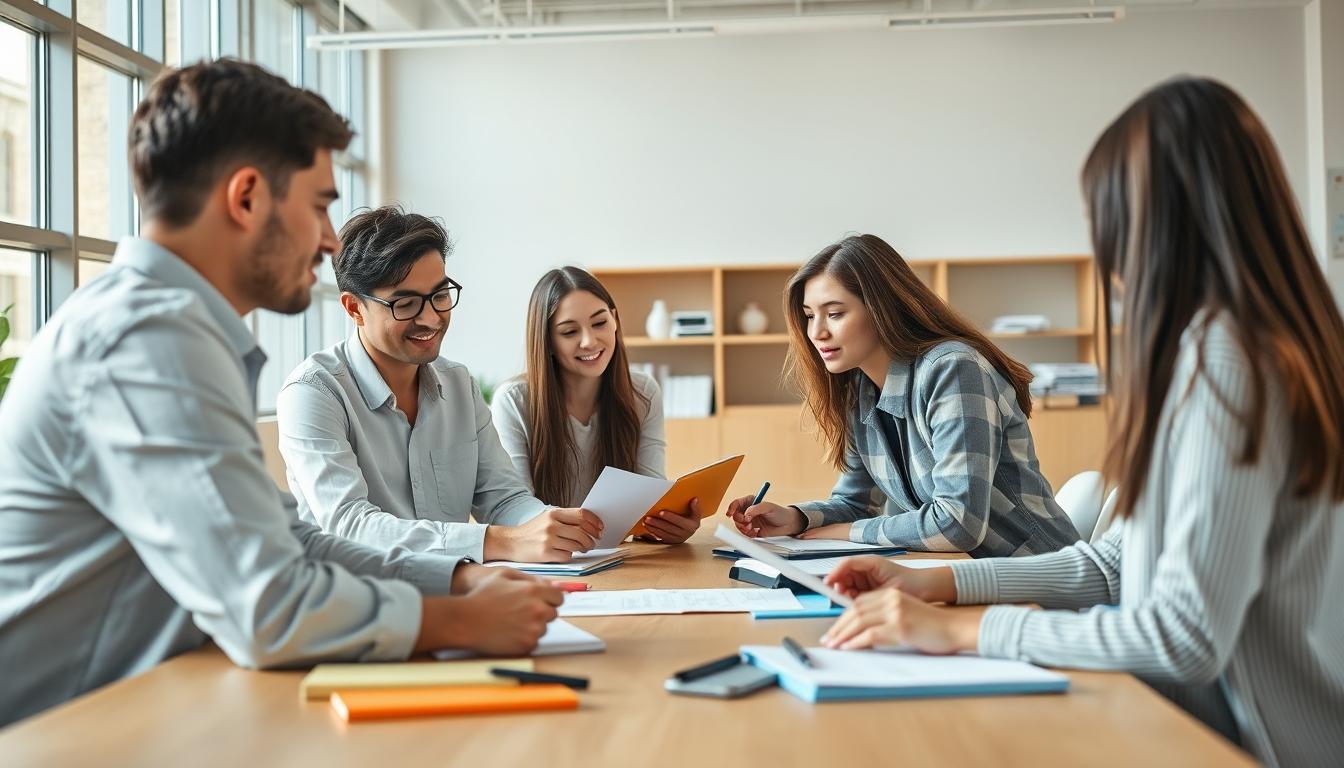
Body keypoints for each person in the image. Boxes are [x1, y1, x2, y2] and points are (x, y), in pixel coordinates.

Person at [0, 60, 561, 727]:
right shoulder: (146, 340)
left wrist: (459, 578)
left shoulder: (173, 329)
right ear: (246, 198)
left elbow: (292, 543)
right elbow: (267, 607)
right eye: (319, 205)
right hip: (55, 733)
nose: (329, 240)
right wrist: (455, 618)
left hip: (135, 709)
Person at [819, 78, 1344, 768]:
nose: (1108, 251)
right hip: (1176, 721)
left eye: (1108, 217)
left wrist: (966, 632)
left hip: (1243, 745)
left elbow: (1184, 636)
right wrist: (936, 585)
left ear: (1159, 222)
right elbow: (1115, 566)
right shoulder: (1209, 353)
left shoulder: (1229, 361)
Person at [277, 208, 604, 563]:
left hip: (455, 588)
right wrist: (503, 541)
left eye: (440, 295)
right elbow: (350, 526)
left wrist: (557, 526)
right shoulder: (313, 393)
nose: (431, 318)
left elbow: (504, 499)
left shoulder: (459, 385)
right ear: (354, 308)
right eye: (406, 304)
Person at [726, 234, 1079, 556]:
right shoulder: (861, 389)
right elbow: (856, 503)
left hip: (1038, 576)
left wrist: (847, 533)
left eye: (834, 314)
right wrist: (796, 518)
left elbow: (958, 524)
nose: (817, 332)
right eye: (809, 316)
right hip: (962, 575)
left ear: (882, 309)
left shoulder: (953, 370)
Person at [492, 267, 697, 544]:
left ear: (615, 320)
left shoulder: (642, 393)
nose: (589, 341)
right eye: (569, 331)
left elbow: (650, 497)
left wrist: (667, 524)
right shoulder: (514, 401)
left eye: (599, 323)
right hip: (547, 560)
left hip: (618, 559)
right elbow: (516, 510)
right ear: (547, 341)